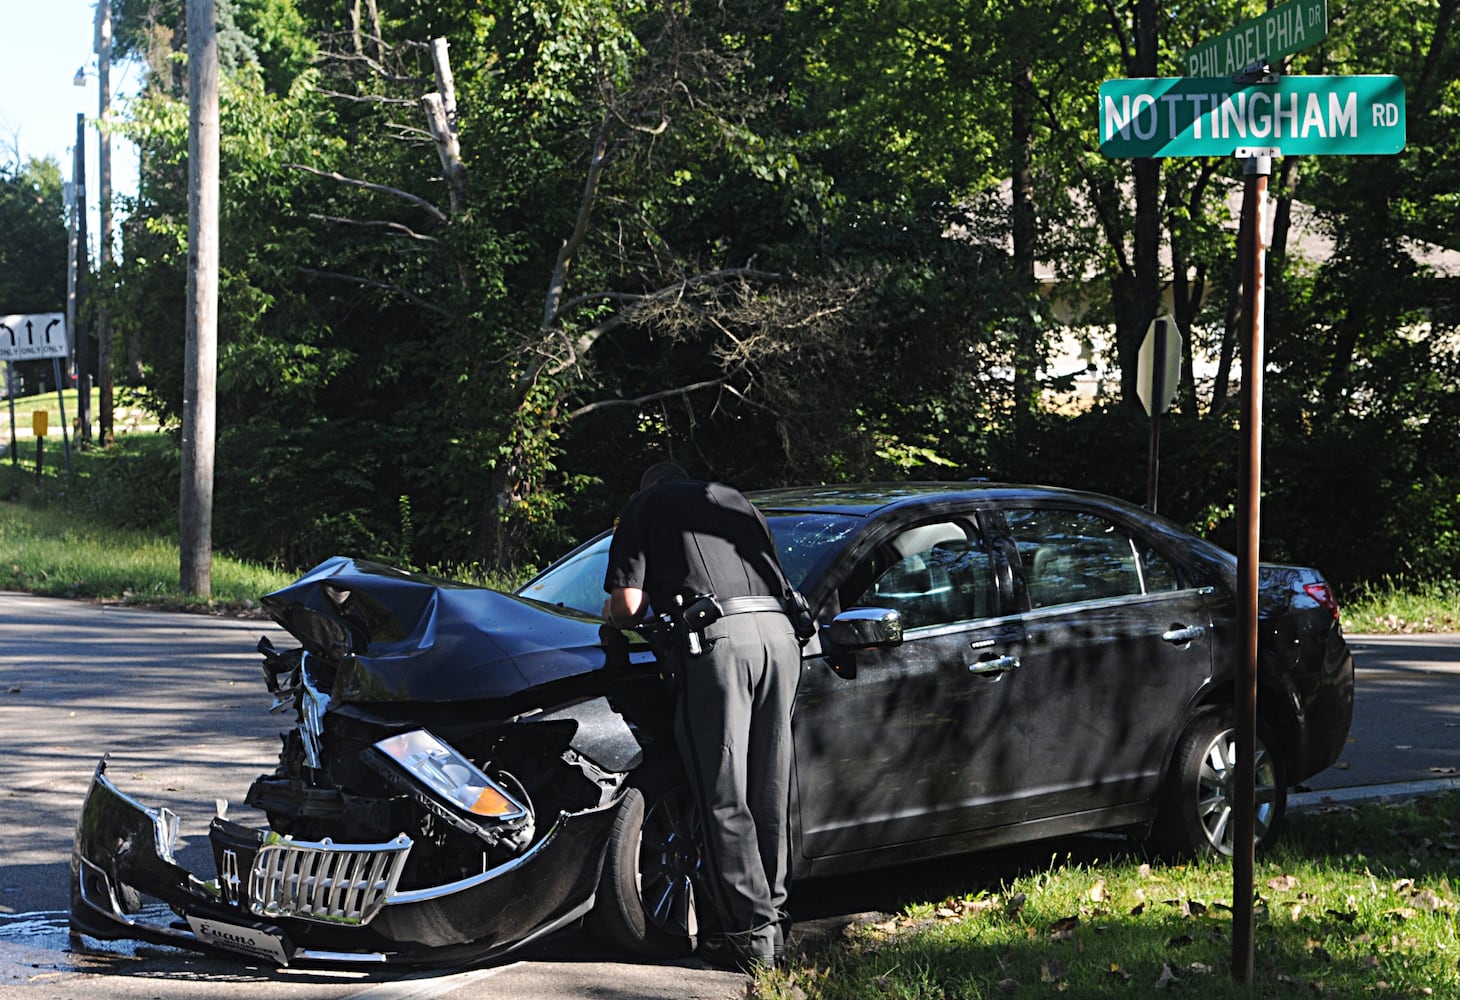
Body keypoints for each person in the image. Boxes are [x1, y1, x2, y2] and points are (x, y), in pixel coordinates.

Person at [602, 461, 802, 972]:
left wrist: (613, 618)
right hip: (780, 638)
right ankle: (775, 927)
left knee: (721, 793)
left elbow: (627, 607)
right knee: (768, 788)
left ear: (647, 486)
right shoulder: (737, 499)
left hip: (718, 643)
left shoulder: (644, 506)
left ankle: (749, 940)